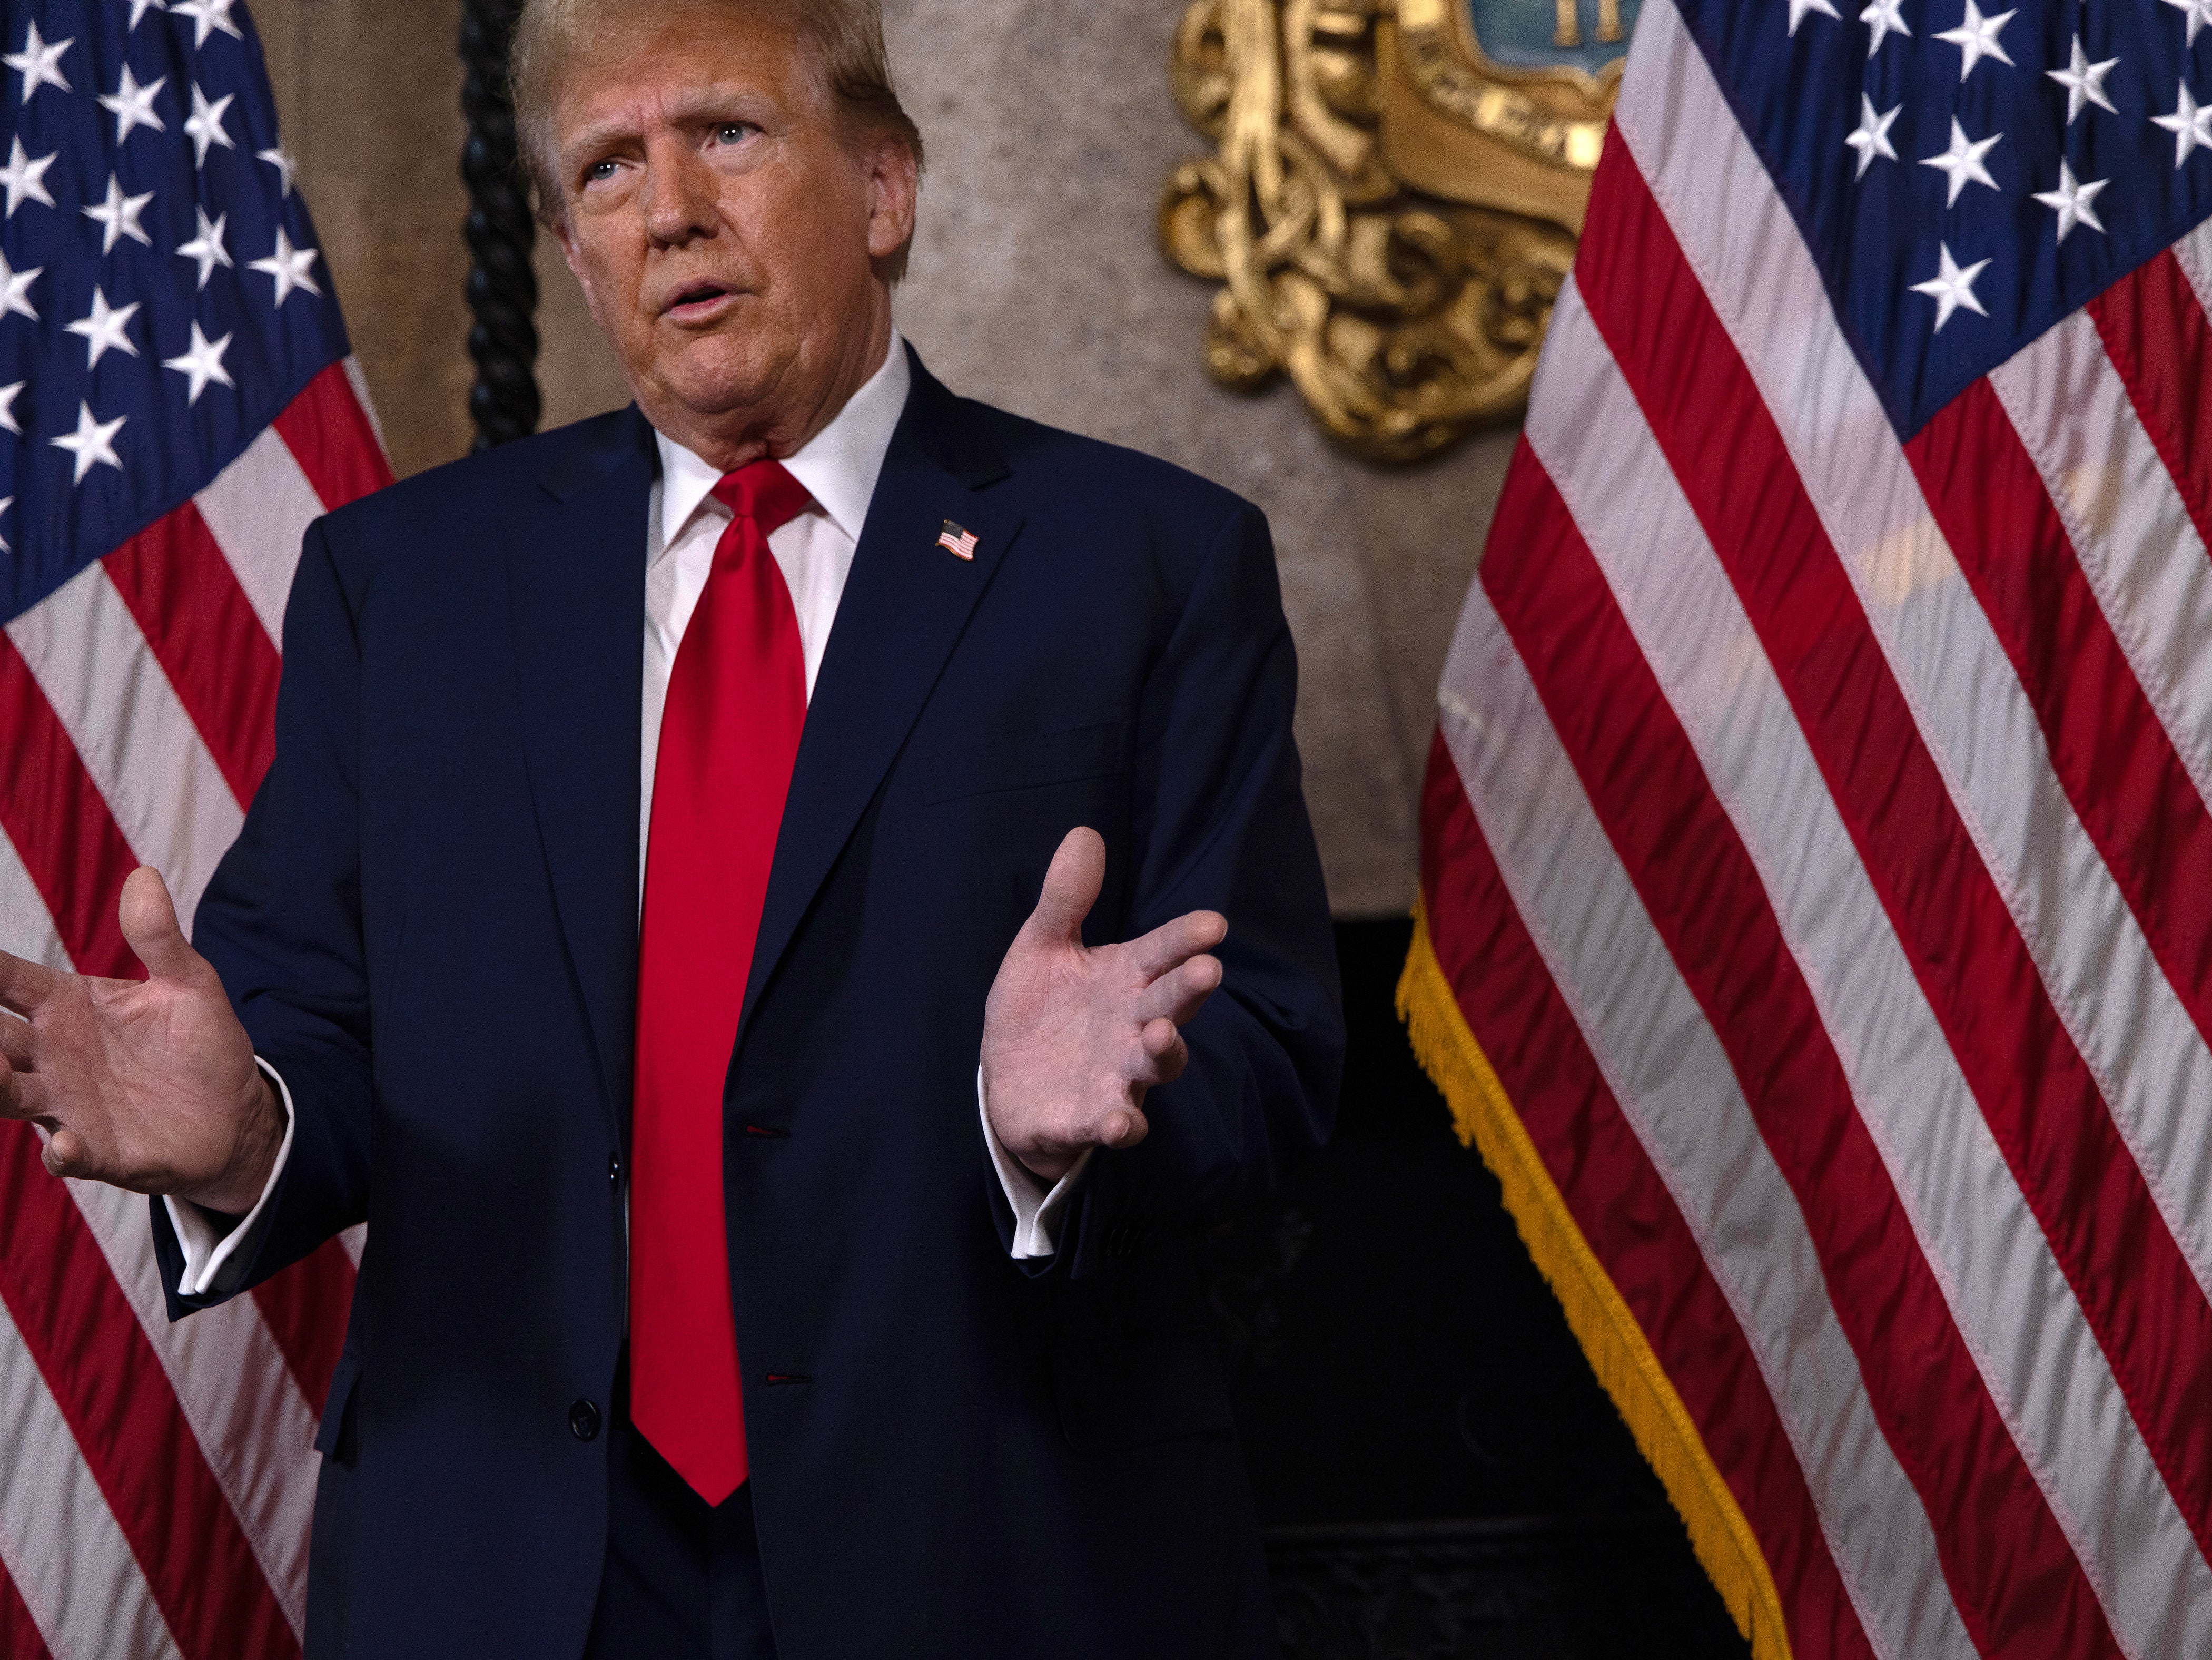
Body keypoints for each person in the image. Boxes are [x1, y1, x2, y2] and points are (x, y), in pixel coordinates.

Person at [0, 0, 1343, 1653]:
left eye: (725, 132)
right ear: (572, 253)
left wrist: (1065, 1124)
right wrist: (243, 1131)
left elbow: (1275, 1052)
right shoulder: (405, 586)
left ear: (881, 187)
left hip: (986, 1537)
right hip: (507, 1557)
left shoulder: (1145, 562)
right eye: (608, 169)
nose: (670, 209)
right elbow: (315, 1022)